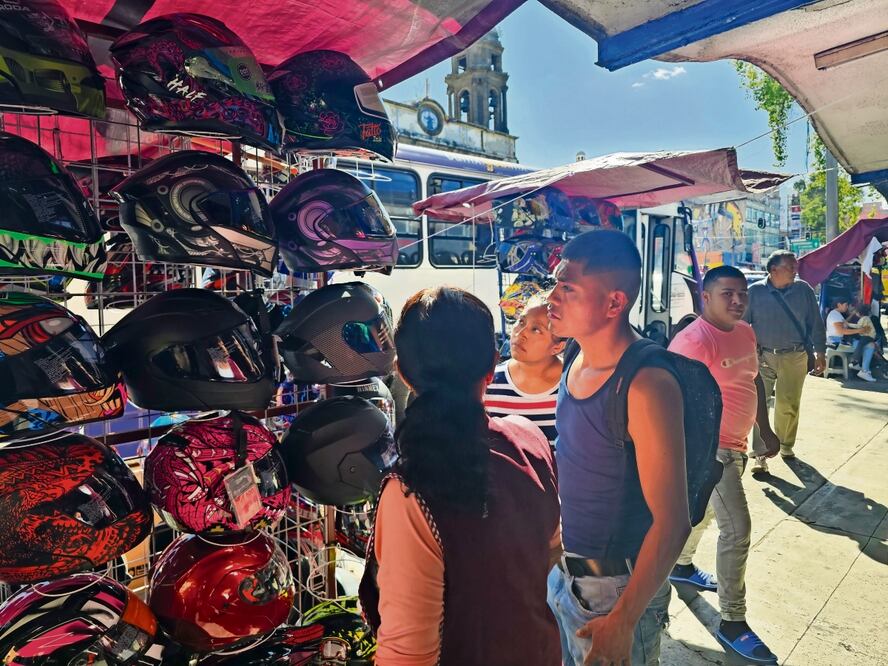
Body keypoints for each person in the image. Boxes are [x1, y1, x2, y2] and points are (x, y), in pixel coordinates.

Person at [358, 287, 561, 666]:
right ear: (492, 365)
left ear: (402, 370)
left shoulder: (410, 491)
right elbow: (552, 545)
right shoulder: (530, 440)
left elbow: (406, 654)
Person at [545, 230, 690, 666]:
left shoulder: (646, 383)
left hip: (615, 594)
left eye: (568, 288)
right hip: (566, 577)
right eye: (555, 282)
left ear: (614, 303)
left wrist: (624, 621)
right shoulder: (575, 358)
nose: (552, 296)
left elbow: (674, 521)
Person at [667, 265, 780, 665]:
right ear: (706, 298)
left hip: (738, 444)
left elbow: (754, 380)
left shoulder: (745, 332)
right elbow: (665, 398)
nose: (737, 301)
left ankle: (679, 566)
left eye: (742, 294)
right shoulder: (693, 341)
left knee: (708, 518)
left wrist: (764, 428)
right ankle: (733, 621)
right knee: (738, 528)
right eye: (727, 294)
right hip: (710, 451)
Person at [744, 250, 826, 473]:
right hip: (762, 358)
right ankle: (760, 454)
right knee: (759, 405)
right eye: (790, 267)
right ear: (773, 270)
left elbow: (816, 323)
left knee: (788, 404)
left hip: (795, 355)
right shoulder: (755, 292)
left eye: (795, 266)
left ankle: (786, 445)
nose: (795, 271)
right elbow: (742, 325)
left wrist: (820, 352)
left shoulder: (803, 290)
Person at [484, 296, 565, 448]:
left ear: (558, 347)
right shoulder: (490, 381)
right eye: (521, 321)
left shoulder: (571, 385)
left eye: (536, 329)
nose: (520, 333)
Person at [826, 298, 878, 382]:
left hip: (839, 340)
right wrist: (859, 330)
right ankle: (862, 369)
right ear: (839, 304)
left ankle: (861, 367)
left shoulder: (836, 314)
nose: (847, 307)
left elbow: (845, 324)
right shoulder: (834, 315)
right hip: (836, 342)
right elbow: (841, 330)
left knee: (869, 344)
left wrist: (852, 315)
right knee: (870, 345)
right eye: (846, 305)